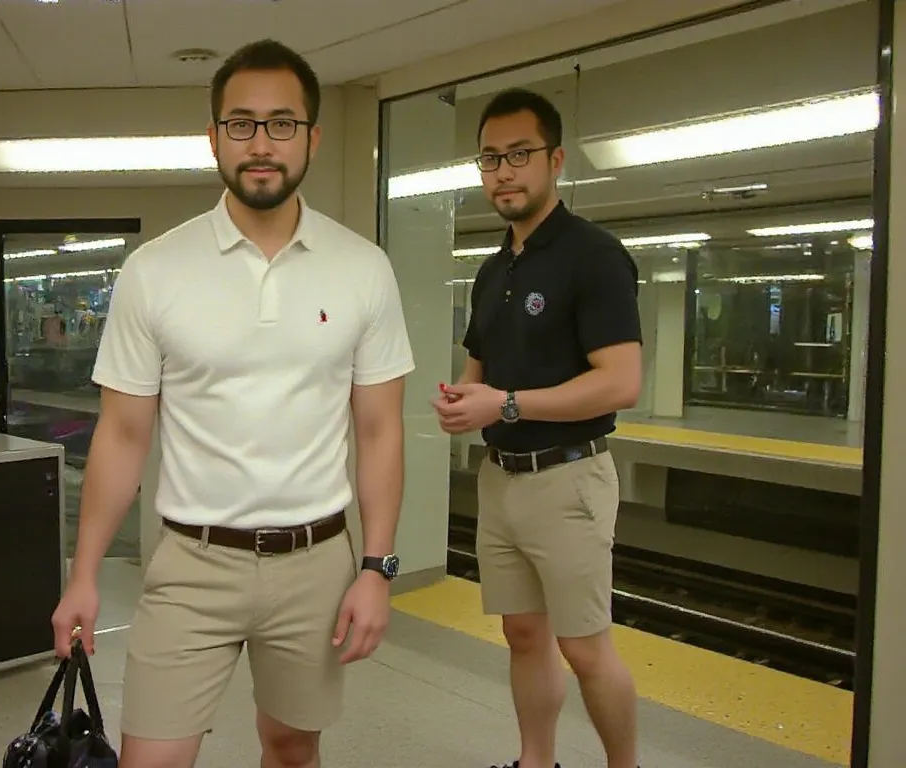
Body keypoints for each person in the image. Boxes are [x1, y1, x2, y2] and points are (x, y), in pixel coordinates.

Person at [51, 39, 415, 768]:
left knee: (290, 747)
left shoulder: (363, 269)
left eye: (282, 124)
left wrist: (376, 568)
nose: (261, 143)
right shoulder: (155, 271)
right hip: (191, 560)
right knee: (151, 759)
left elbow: (379, 430)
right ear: (214, 136)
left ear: (312, 137)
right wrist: (83, 574)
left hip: (316, 561)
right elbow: (123, 435)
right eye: (241, 123)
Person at [433, 87, 643, 768]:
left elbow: (621, 383)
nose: (503, 172)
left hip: (568, 476)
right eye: (490, 158)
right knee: (525, 634)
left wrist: (507, 404)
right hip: (502, 481)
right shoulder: (494, 270)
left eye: (519, 154)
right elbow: (480, 372)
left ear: (554, 160)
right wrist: (463, 401)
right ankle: (536, 762)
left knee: (584, 647)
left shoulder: (594, 255)